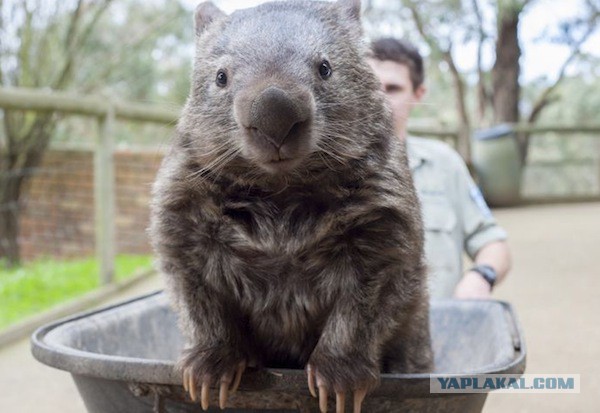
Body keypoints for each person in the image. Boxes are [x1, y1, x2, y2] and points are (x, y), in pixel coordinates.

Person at [368, 37, 511, 300]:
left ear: (418, 94)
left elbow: (493, 243)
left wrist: (481, 276)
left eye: (393, 88)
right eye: (371, 87)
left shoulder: (445, 163)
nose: (380, 99)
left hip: (442, 328)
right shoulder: (328, 171)